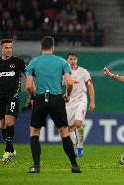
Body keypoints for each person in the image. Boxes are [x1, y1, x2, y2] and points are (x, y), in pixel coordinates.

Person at [26, 36, 81, 173]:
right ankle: (74, 165)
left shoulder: (34, 62)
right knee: (63, 131)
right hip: (56, 99)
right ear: (53, 47)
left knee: (35, 132)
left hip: (40, 98)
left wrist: (33, 97)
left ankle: (36, 166)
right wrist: (67, 96)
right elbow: (69, 82)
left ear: (41, 47)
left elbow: (28, 85)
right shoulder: (62, 62)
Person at [0, 39, 26, 163]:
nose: (8, 49)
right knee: (2, 124)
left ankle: (7, 152)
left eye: (10, 47)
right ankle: (11, 148)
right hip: (1, 97)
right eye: (6, 47)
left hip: (14, 96)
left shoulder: (18, 62)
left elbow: (28, 74)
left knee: (9, 122)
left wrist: (32, 86)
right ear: (2, 49)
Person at [65, 52, 95, 157]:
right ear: (67, 60)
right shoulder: (64, 73)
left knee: (77, 123)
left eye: (74, 59)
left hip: (81, 99)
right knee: (69, 128)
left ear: (76, 60)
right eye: (70, 59)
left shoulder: (83, 72)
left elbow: (90, 86)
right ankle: (74, 146)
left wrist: (92, 101)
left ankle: (80, 144)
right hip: (69, 101)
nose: (72, 61)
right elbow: (60, 86)